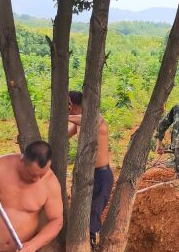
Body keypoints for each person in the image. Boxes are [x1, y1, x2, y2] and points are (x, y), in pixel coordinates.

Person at [0, 140, 62, 252]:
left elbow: (56, 221)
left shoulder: (50, 183)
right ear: (22, 160)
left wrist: (33, 245)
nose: (36, 180)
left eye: (41, 175)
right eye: (31, 174)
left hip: (22, 249)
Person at [67, 90, 113, 249]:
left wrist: (62, 115)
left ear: (70, 104)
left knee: (93, 213)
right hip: (85, 175)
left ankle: (92, 245)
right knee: (81, 210)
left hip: (101, 175)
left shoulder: (96, 119)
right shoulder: (78, 123)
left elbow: (92, 119)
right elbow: (63, 135)